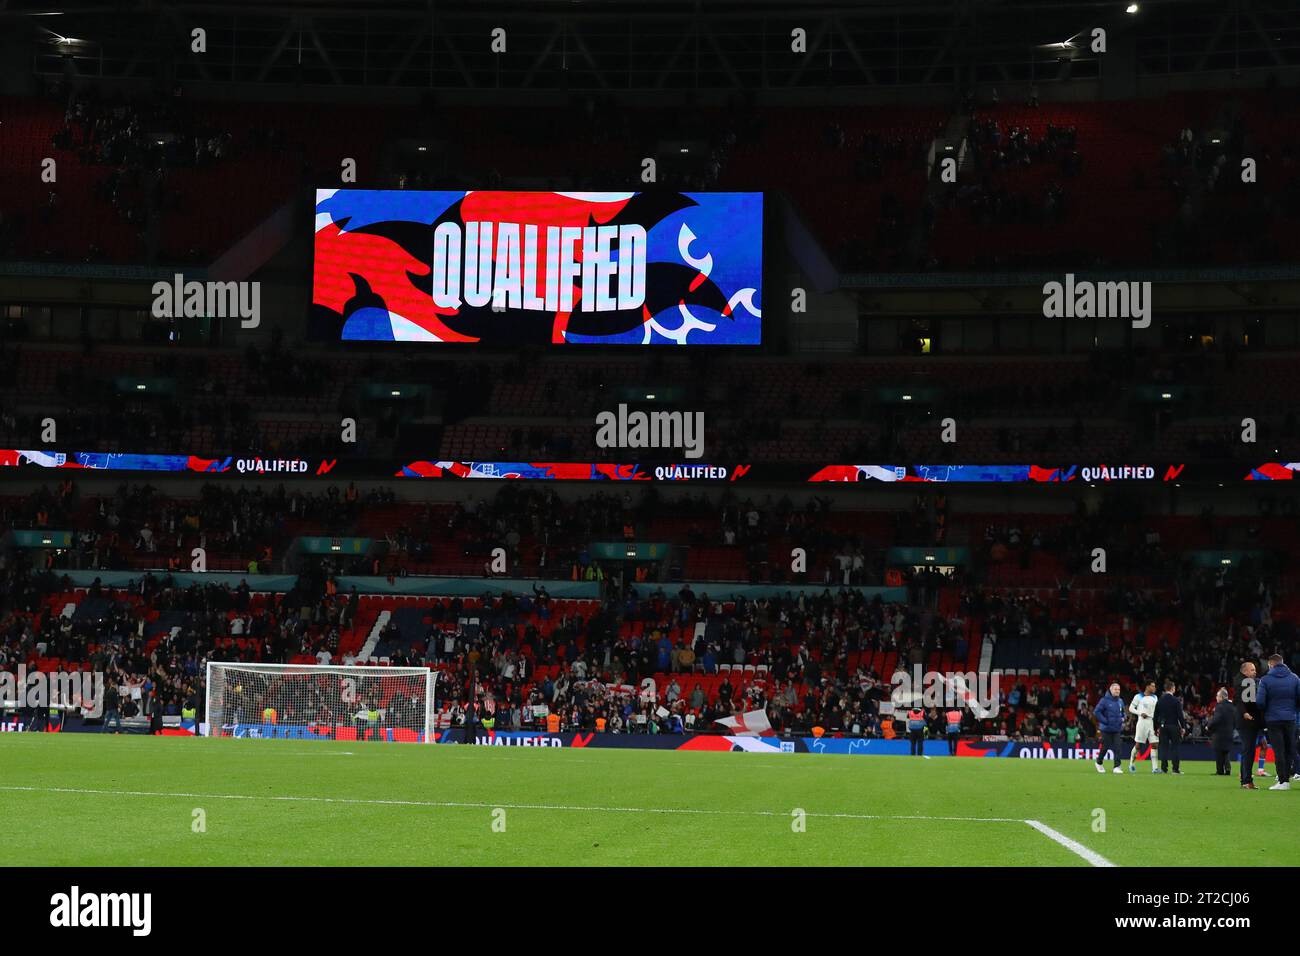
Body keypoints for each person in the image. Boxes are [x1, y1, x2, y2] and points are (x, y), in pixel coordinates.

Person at [1257, 653, 1300, 791]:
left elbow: (1260, 702)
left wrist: (1268, 711)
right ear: (1282, 662)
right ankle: (1288, 778)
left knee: (1279, 751)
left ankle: (1283, 781)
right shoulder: (1295, 678)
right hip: (1290, 719)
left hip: (1273, 720)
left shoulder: (1265, 680)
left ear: (1270, 664)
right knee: (1290, 750)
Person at [1235, 660, 1266, 789]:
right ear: (1245, 671)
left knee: (1248, 751)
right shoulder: (1244, 683)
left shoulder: (1244, 682)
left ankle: (1245, 779)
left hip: (1248, 722)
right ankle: (1246, 781)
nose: (1255, 672)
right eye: (1252, 670)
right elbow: (1239, 700)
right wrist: (1245, 713)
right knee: (1248, 751)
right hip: (1248, 722)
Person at [1154, 680, 1189, 774]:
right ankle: (1175, 769)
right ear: (1172, 688)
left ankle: (1164, 769)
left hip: (1163, 726)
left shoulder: (1160, 700)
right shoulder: (1176, 701)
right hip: (1174, 726)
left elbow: (1155, 715)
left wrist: (1156, 728)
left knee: (1164, 748)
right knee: (1175, 747)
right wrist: (1183, 727)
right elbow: (1180, 716)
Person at [1092, 683, 1125, 774]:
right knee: (1105, 747)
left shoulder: (1120, 701)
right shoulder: (1104, 700)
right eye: (1115, 689)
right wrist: (1105, 721)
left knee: (1118, 747)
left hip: (1117, 729)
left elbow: (1123, 713)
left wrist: (1123, 718)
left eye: (1118, 689)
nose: (1117, 691)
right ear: (1110, 690)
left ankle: (1117, 767)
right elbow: (1096, 712)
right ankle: (1099, 762)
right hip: (1106, 729)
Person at [1127, 681, 1159, 774]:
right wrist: (1140, 713)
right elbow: (1130, 708)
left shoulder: (1155, 697)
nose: (1154, 688)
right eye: (1152, 686)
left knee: (1155, 744)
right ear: (1147, 687)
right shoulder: (1138, 696)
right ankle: (1131, 764)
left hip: (1153, 722)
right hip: (1142, 722)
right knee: (1138, 745)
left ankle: (1155, 768)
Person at [1207, 688, 1235, 776]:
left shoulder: (1219, 706)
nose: (1216, 698)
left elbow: (1216, 719)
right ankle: (1227, 769)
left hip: (1219, 733)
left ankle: (1220, 771)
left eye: (1217, 696)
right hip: (1230, 732)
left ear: (1222, 697)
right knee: (1226, 751)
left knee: (1219, 751)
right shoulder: (1232, 706)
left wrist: (1209, 726)